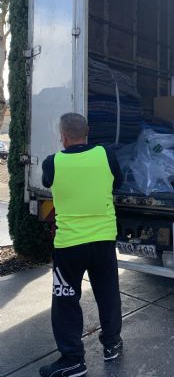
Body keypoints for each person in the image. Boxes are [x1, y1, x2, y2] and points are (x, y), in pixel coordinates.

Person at [39, 113, 124, 377]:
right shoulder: (106, 155)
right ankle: (112, 344)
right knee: (108, 293)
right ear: (87, 134)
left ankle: (73, 360)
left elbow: (46, 183)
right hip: (103, 240)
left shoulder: (52, 162)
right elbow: (118, 182)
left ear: (63, 136)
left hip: (69, 245)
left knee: (65, 301)